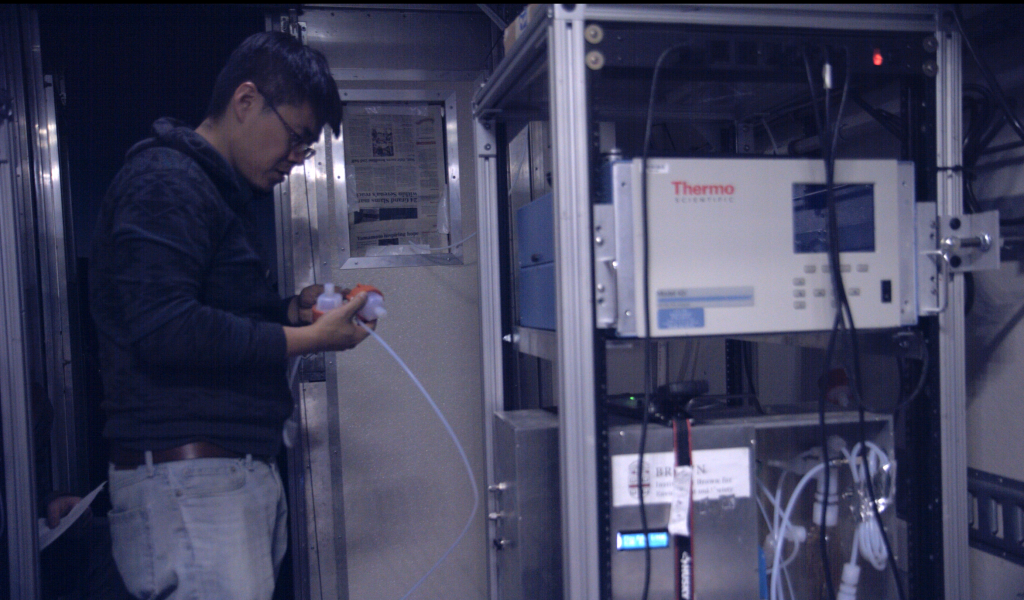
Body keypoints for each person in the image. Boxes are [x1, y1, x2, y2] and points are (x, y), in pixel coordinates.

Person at [89, 31, 374, 600]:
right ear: (245, 101)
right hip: (191, 484)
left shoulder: (213, 192)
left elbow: (202, 315)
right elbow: (165, 329)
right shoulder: (166, 181)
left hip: (216, 482)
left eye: (307, 149)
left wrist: (290, 312)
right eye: (296, 139)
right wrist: (308, 339)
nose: (296, 159)